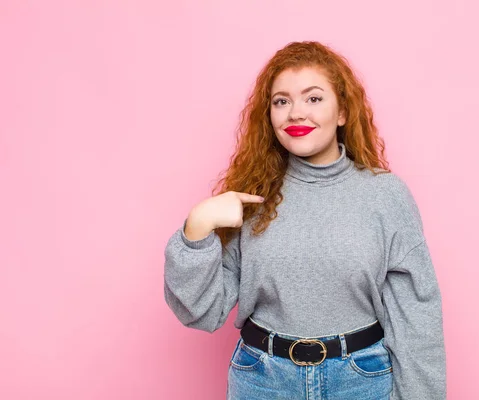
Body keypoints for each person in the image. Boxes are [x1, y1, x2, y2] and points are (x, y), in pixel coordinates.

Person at [163, 40, 447, 399]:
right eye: (281, 101)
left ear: (342, 112)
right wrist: (197, 229)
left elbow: (417, 318)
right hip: (261, 380)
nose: (295, 113)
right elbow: (201, 312)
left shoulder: (385, 196)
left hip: (360, 381)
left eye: (313, 98)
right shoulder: (251, 195)